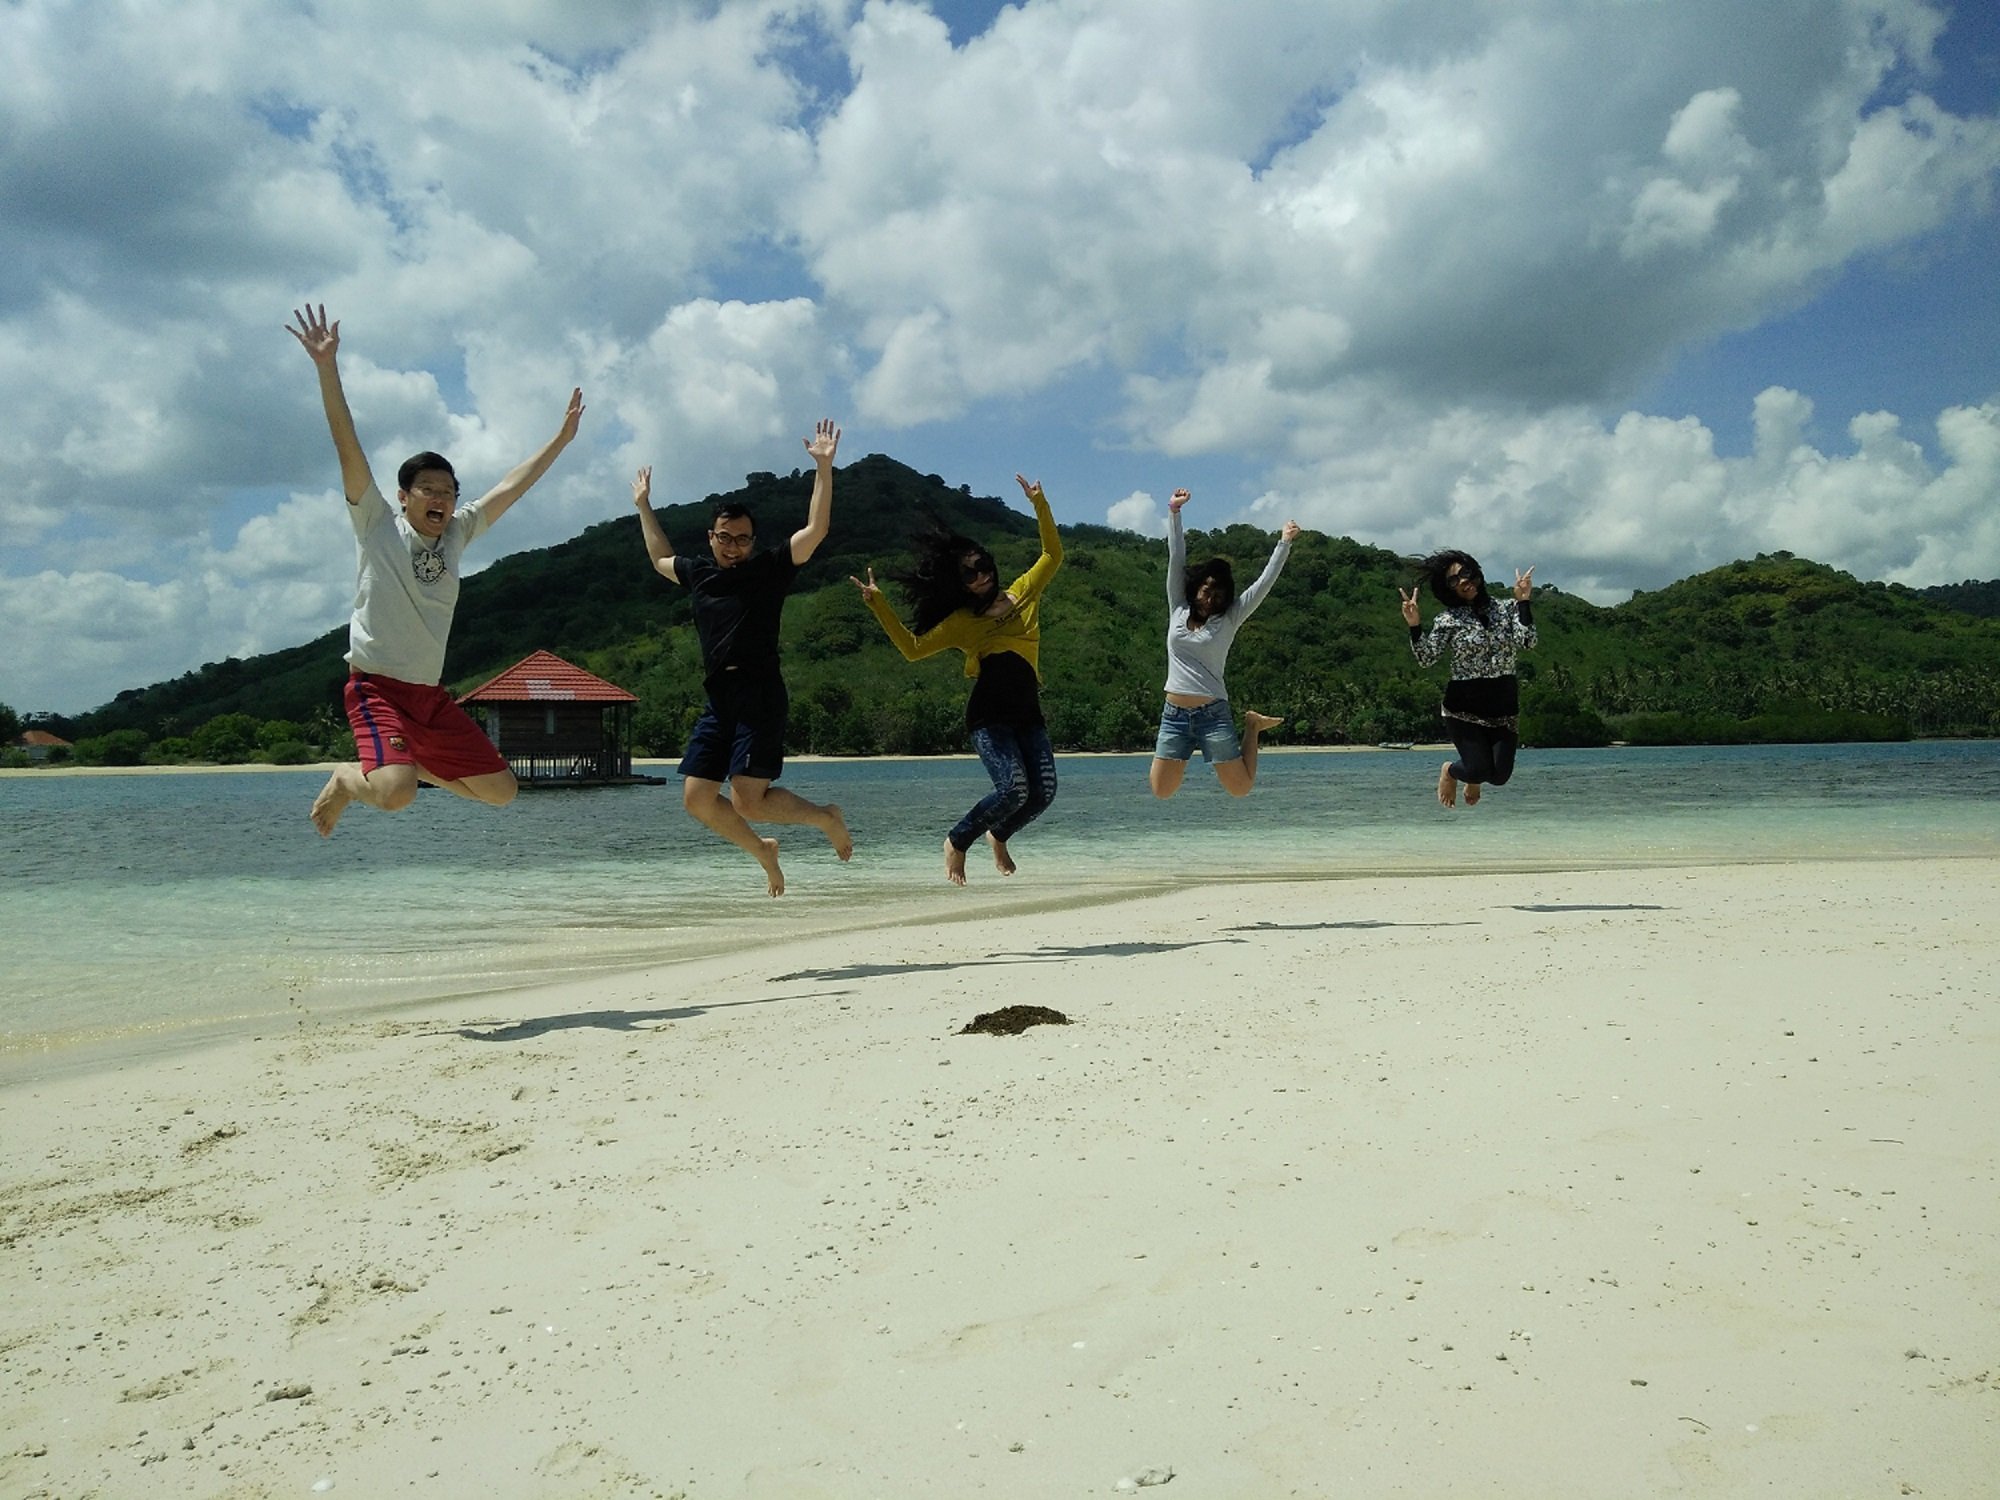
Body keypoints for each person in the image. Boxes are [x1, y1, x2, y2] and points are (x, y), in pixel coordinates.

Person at [287, 303, 584, 837]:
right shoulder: (377, 523)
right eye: (428, 489)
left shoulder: (457, 534)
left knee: (501, 791)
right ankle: (347, 780)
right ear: (404, 497)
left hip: (430, 697)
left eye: (449, 491)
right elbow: (346, 445)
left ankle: (409, 765)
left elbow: (511, 488)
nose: (441, 499)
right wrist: (326, 368)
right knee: (396, 797)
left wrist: (559, 442)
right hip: (376, 688)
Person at [631, 421, 852, 897]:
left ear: (754, 540)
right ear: (711, 537)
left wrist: (824, 469)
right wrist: (644, 506)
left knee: (748, 801)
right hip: (720, 701)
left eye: (743, 538)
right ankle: (763, 852)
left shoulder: (769, 570)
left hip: (759, 697)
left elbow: (817, 529)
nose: (734, 547)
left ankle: (824, 816)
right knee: (696, 798)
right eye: (725, 538)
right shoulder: (701, 575)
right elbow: (659, 559)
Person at [849, 475, 1061, 886]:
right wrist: (879, 605)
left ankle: (998, 834)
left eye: (983, 567)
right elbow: (912, 649)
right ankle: (957, 840)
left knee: (1043, 792)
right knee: (1014, 789)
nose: (981, 577)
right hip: (989, 717)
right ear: (958, 583)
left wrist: (1040, 504)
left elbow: (1052, 553)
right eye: (969, 575)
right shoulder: (962, 623)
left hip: (1027, 713)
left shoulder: (1024, 593)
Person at [1150, 488, 1298, 799]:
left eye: (1217, 596)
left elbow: (1263, 584)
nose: (1209, 599)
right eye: (1205, 591)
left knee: (1240, 788)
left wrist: (1283, 543)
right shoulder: (1177, 606)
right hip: (1174, 714)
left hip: (1212, 713)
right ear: (1195, 589)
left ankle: (1252, 726)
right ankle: (1245, 727)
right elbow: (1176, 558)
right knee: (1161, 790)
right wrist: (1174, 512)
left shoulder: (1229, 619)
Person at [1400, 550, 1536, 807]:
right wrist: (1415, 625)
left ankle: (1474, 777)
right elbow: (1426, 658)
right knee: (1477, 769)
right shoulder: (1447, 620)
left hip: (1503, 706)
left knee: (1499, 777)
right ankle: (1451, 771)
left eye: (1465, 573)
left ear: (1476, 572)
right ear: (1448, 589)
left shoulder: (1507, 609)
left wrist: (1524, 602)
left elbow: (1528, 642)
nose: (1463, 581)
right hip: (1463, 708)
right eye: (1453, 580)